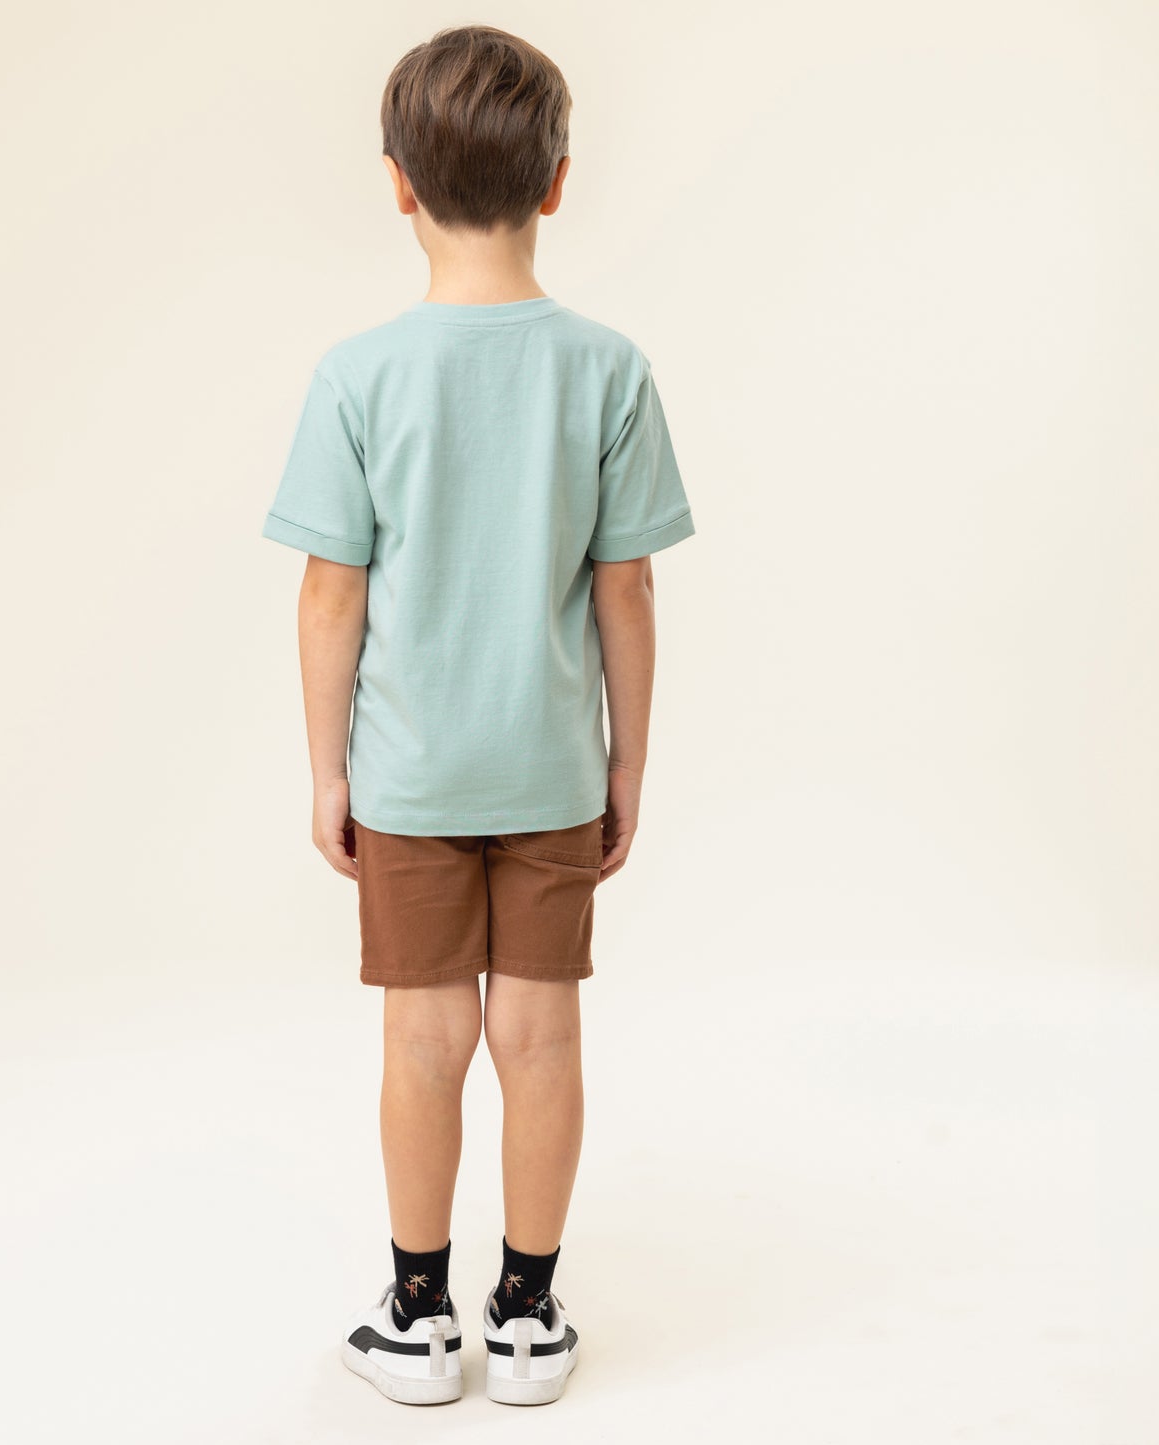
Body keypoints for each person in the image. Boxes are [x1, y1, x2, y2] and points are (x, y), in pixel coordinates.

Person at [260, 23, 696, 1407]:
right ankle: (527, 1313)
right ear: (557, 180)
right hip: (553, 767)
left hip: (409, 776)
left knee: (422, 1041)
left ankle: (413, 1315)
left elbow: (331, 595)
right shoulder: (609, 369)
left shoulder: (358, 375)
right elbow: (625, 588)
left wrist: (327, 772)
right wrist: (625, 763)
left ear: (397, 181)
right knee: (542, 1037)